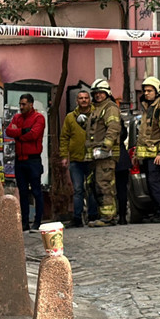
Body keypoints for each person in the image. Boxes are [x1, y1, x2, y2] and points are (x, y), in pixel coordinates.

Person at [5, 93, 46, 232]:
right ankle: (24, 222)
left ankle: (38, 221)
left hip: (33, 159)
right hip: (20, 159)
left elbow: (34, 134)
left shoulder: (38, 117)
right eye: (20, 104)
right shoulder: (17, 117)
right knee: (22, 192)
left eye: (24, 104)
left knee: (36, 191)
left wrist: (19, 134)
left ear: (30, 104)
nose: (21, 107)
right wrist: (23, 132)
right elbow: (9, 131)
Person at [135, 76, 160, 223]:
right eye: (145, 91)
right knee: (152, 185)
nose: (146, 93)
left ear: (157, 91)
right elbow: (143, 133)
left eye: (150, 91)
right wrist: (137, 154)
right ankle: (159, 211)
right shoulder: (147, 108)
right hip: (147, 155)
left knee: (157, 185)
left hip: (157, 156)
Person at [84, 79, 121, 227]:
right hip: (96, 155)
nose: (98, 95)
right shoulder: (97, 108)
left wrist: (106, 147)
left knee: (104, 184)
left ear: (107, 93)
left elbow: (113, 128)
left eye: (101, 93)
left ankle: (108, 217)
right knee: (97, 185)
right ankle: (105, 215)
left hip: (106, 155)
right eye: (96, 93)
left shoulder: (110, 108)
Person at [59, 90, 98, 227]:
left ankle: (93, 216)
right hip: (76, 159)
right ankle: (77, 218)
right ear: (77, 101)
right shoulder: (70, 117)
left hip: (92, 158)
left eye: (86, 98)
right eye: (81, 98)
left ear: (90, 100)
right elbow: (64, 138)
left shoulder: (96, 114)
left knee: (92, 188)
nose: (83, 100)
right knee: (78, 189)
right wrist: (64, 156)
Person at [115, 118, 132, 225]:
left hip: (114, 160)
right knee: (122, 190)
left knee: (114, 190)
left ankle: (117, 215)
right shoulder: (120, 123)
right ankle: (122, 217)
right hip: (123, 160)